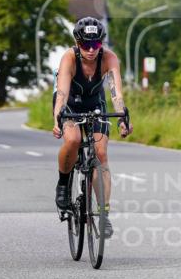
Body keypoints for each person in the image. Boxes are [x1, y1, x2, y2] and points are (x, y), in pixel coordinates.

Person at [51, 17, 131, 237]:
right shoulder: (69, 58)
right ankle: (63, 184)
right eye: (86, 44)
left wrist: (122, 118)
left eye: (96, 44)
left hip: (96, 103)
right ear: (77, 43)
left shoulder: (109, 58)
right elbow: (63, 92)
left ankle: (104, 214)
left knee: (102, 154)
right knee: (74, 140)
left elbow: (116, 93)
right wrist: (58, 116)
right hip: (69, 103)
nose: (91, 50)